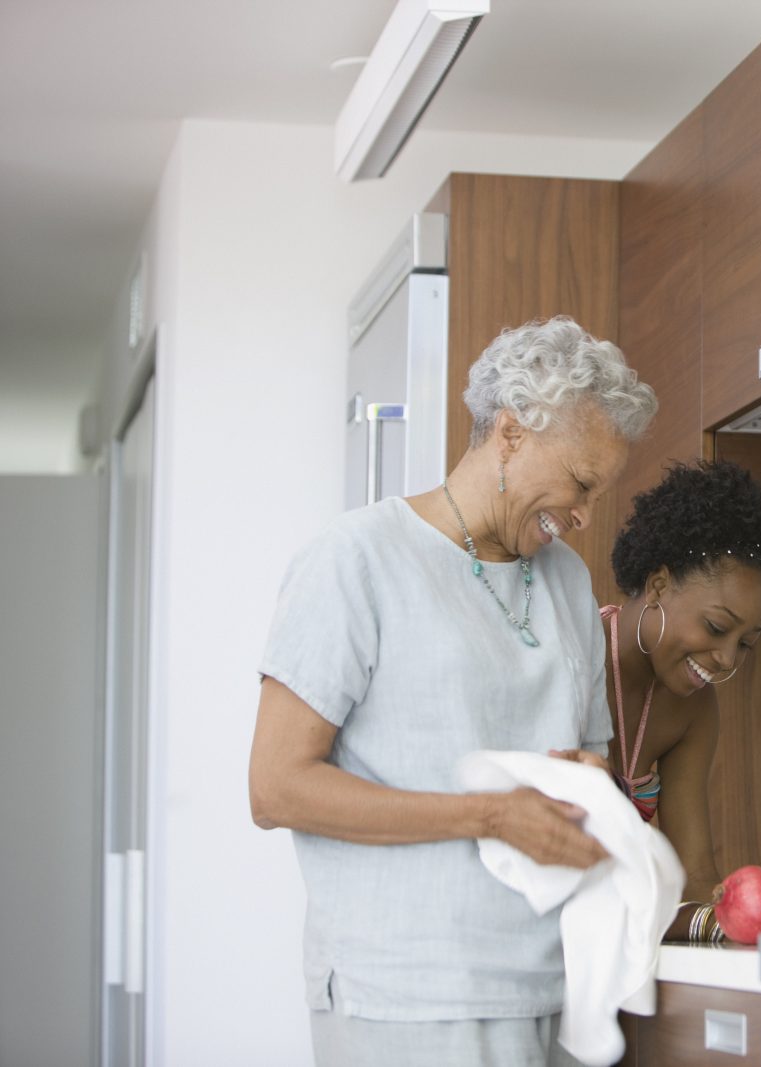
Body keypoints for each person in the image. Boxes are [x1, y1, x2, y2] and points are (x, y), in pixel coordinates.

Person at [248, 316, 657, 1067]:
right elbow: (275, 787)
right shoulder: (356, 560)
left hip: (552, 993)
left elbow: (591, 765)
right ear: (510, 433)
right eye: (579, 482)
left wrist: (589, 785)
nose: (583, 514)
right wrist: (490, 814)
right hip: (404, 998)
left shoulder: (566, 579)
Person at [599, 459, 761, 941]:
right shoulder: (578, 655)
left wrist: (746, 924)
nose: (725, 659)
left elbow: (694, 876)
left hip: (605, 949)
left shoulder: (692, 710)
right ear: (658, 584)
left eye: (745, 643)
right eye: (717, 627)